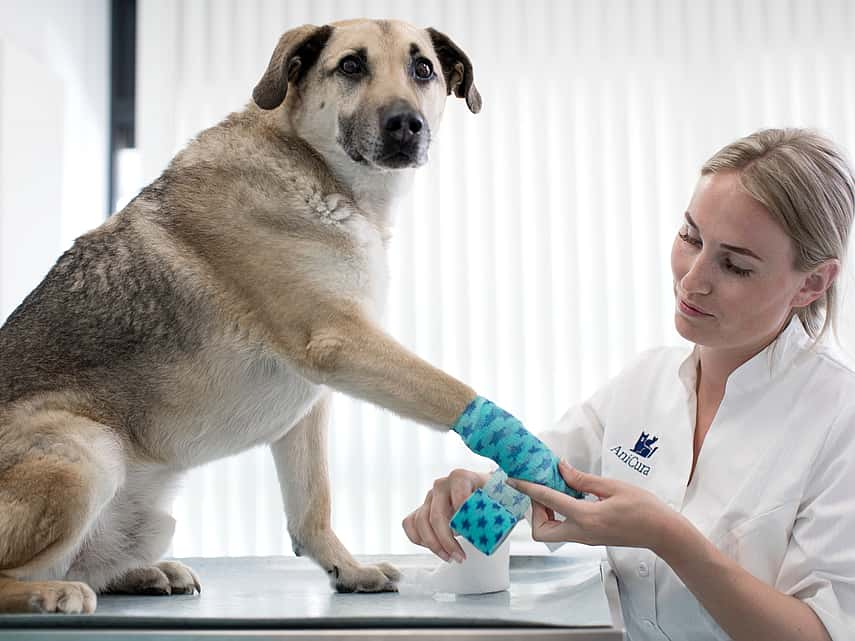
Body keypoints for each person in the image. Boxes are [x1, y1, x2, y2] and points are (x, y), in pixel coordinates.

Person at [402, 128, 855, 641]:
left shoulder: (840, 419)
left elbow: (823, 633)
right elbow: (543, 475)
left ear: (812, 282)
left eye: (735, 265)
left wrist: (669, 538)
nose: (692, 279)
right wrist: (471, 494)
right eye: (690, 237)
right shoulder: (645, 383)